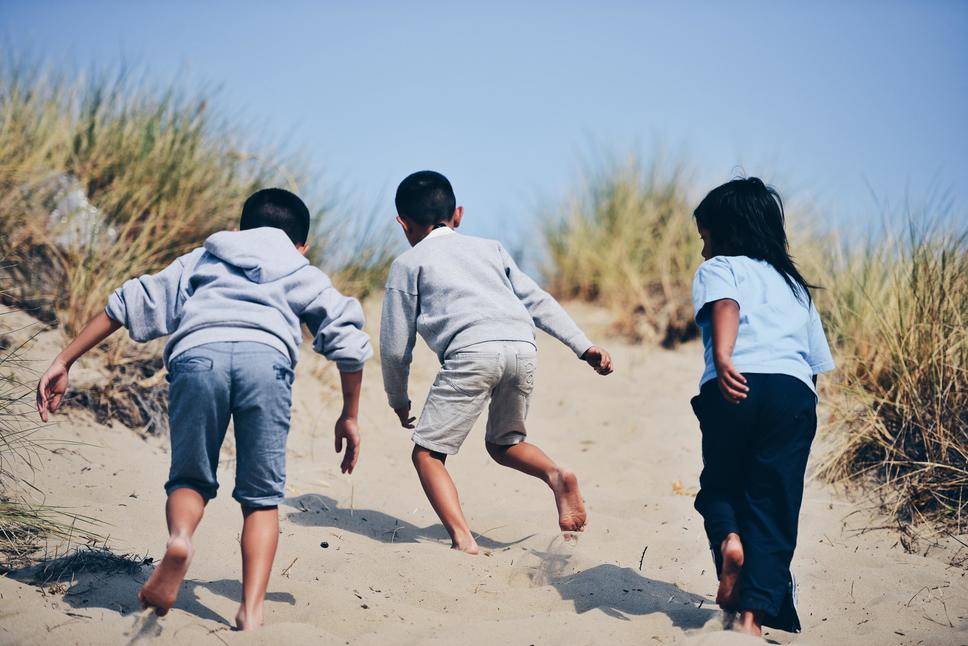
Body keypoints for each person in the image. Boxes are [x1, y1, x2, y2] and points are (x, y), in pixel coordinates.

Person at [36, 188, 372, 630]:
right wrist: (349, 413)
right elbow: (348, 342)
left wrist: (65, 359)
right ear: (301, 245)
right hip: (264, 364)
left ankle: (179, 540)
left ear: (240, 229)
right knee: (261, 498)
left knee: (191, 479)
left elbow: (128, 302)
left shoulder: (204, 257)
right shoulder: (299, 268)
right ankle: (250, 611)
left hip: (199, 355)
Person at [380, 170, 613, 555]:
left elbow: (393, 346)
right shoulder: (492, 249)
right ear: (458, 215)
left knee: (427, 453)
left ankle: (463, 540)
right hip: (522, 348)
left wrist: (398, 398)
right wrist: (584, 347)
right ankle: (555, 474)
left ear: (402, 223)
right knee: (505, 442)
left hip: (471, 352)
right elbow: (537, 301)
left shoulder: (408, 263)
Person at [689, 177, 835, 636]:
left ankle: (729, 541)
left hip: (733, 385)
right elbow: (814, 365)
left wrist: (727, 356)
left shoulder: (720, 269)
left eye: (705, 239)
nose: (702, 251)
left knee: (719, 487)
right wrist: (796, 413)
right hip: (792, 394)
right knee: (774, 503)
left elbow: (726, 305)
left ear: (725, 234)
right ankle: (752, 620)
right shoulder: (795, 287)